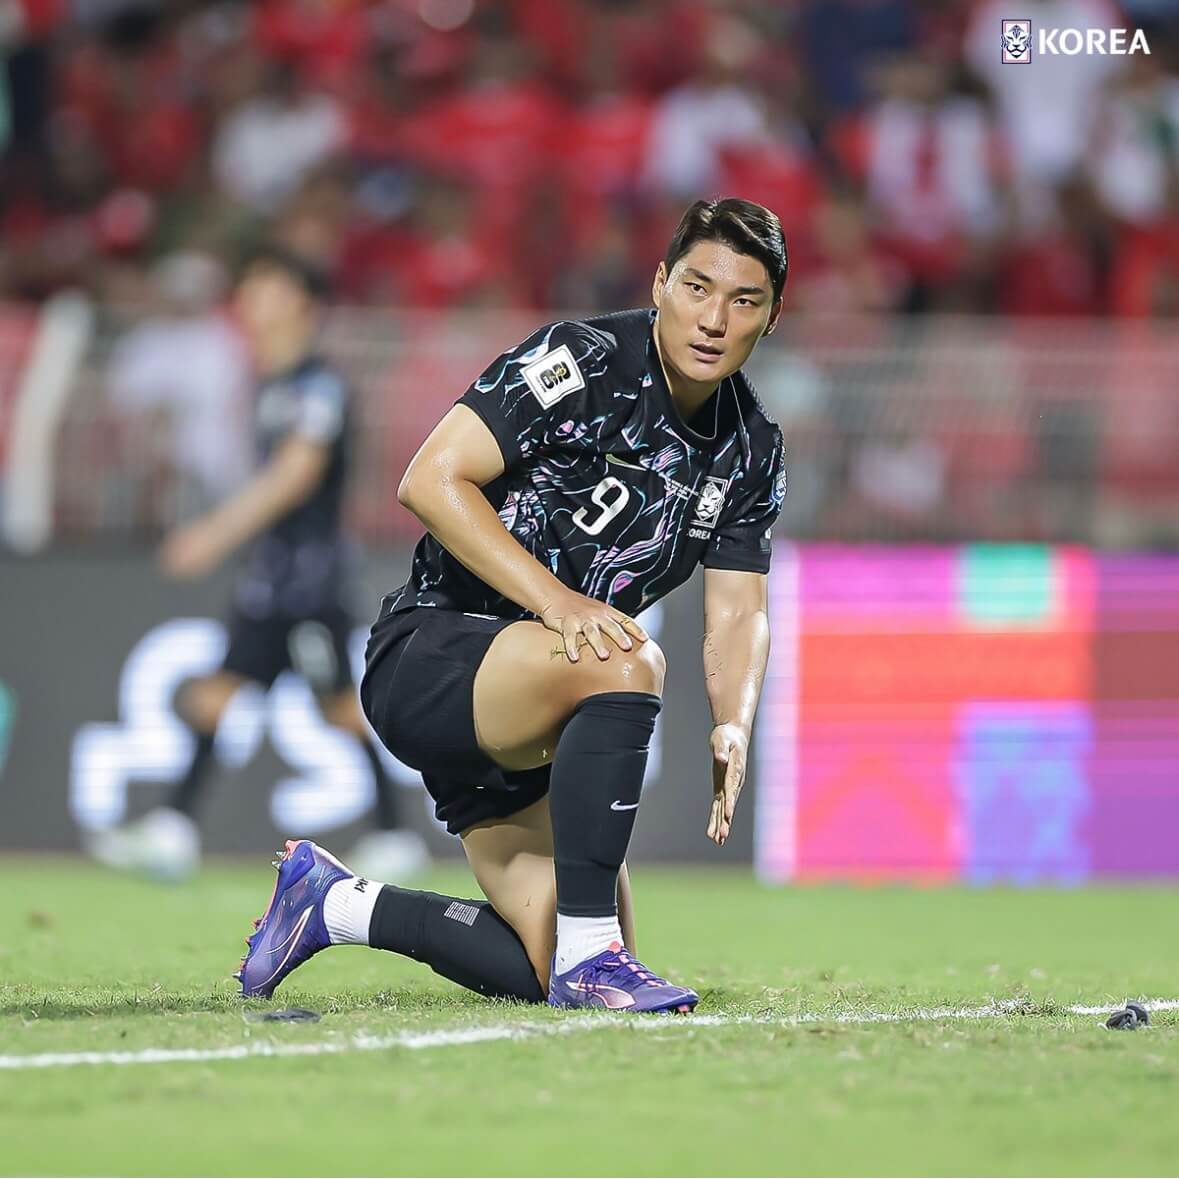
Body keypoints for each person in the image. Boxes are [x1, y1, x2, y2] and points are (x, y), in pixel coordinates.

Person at [237, 198, 788, 1012]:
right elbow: (429, 479)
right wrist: (557, 602)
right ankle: (592, 953)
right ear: (660, 283)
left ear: (771, 317)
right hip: (433, 652)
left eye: (743, 301)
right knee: (624, 658)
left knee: (543, 967)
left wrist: (732, 720)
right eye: (697, 287)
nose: (713, 319)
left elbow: (739, 609)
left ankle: (335, 903)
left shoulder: (751, 450)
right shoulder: (579, 360)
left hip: (536, 704)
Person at [87, 246, 428, 883]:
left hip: (309, 583)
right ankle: (173, 828)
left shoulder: (317, 386)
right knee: (215, 696)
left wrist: (213, 535)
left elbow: (296, 475)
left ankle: (394, 834)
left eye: (266, 286)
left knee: (335, 708)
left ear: (300, 301)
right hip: (273, 578)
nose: (250, 300)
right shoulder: (271, 383)